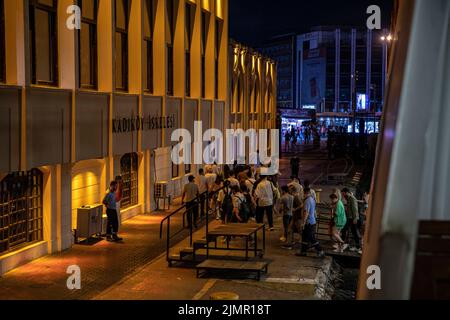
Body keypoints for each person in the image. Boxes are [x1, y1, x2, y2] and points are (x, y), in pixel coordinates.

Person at [296, 188, 325, 257]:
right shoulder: (312, 199)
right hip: (311, 221)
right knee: (304, 237)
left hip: (309, 222)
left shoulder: (307, 201)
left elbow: (306, 212)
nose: (303, 195)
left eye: (303, 193)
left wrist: (303, 222)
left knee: (311, 237)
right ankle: (303, 252)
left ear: (306, 193)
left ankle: (320, 250)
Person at [341, 188, 362, 253]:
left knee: (347, 230)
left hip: (352, 218)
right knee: (353, 232)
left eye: (343, 193)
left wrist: (355, 218)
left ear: (347, 192)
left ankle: (345, 244)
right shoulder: (349, 198)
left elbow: (355, 209)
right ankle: (356, 246)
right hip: (350, 218)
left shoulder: (352, 199)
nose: (343, 195)